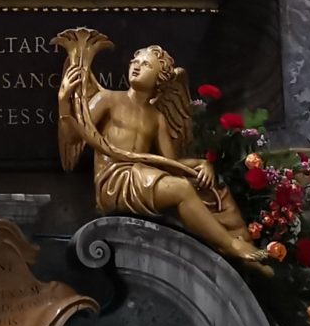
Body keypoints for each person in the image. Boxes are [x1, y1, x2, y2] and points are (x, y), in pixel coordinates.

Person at [55, 31, 268, 270]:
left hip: (142, 175)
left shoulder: (157, 118)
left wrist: (203, 165)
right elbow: (72, 137)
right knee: (181, 189)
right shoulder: (108, 100)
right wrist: (64, 101)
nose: (136, 66)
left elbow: (170, 163)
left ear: (160, 78)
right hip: (114, 181)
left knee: (210, 187)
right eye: (134, 61)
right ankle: (229, 245)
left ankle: (242, 244)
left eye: (146, 64)